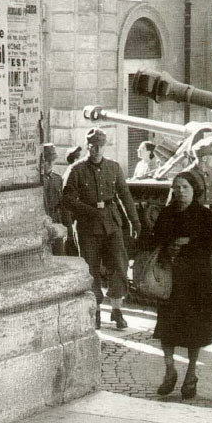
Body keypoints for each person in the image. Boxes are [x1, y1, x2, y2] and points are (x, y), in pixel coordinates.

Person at [139, 170, 212, 399]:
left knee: (194, 329)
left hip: (196, 279)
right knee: (167, 327)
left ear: (194, 190)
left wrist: (191, 242)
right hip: (172, 278)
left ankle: (191, 374)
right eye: (176, 187)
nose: (179, 191)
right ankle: (169, 371)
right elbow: (154, 239)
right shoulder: (167, 213)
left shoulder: (203, 215)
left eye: (184, 187)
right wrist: (169, 245)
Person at [63, 128, 140, 330]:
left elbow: (125, 196)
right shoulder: (77, 170)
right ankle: (96, 311)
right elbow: (67, 199)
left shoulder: (113, 168)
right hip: (88, 226)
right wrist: (88, 211)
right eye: (93, 146)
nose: (96, 150)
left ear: (104, 146)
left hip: (111, 223)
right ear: (88, 145)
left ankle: (116, 310)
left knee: (120, 264)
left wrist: (134, 221)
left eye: (100, 146)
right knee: (91, 269)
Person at [40, 143, 68, 255]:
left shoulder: (57, 179)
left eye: (52, 160)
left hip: (56, 220)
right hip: (42, 221)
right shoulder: (37, 181)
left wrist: (67, 225)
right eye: (47, 160)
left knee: (59, 253)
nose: (50, 164)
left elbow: (62, 204)